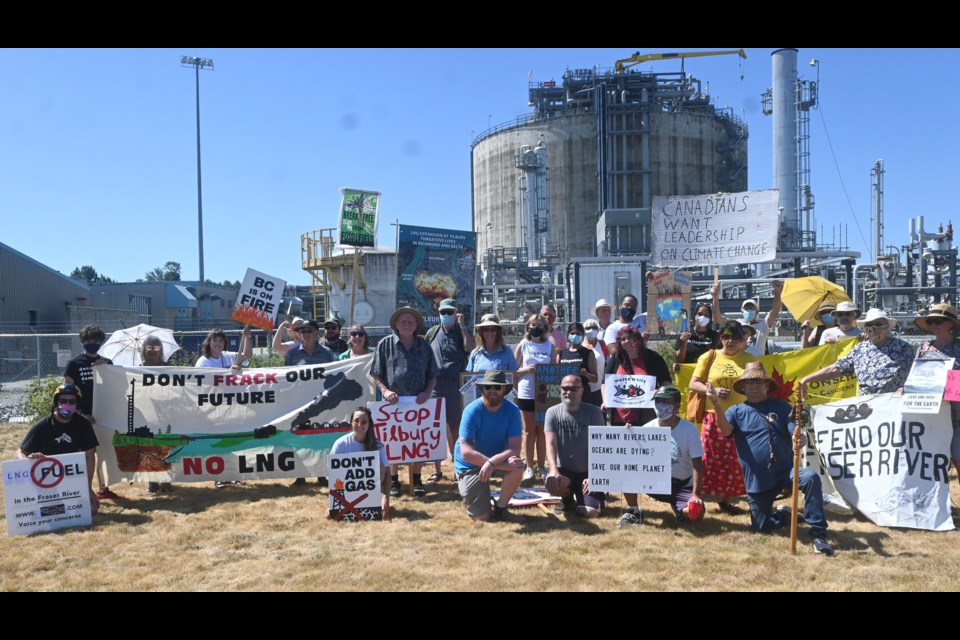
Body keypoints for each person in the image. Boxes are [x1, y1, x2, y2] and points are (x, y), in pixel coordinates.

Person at [709, 363, 834, 555]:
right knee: (761, 529)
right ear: (742, 387)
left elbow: (795, 432)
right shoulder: (736, 411)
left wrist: (798, 438)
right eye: (749, 383)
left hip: (786, 471)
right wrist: (717, 405)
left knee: (810, 477)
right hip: (757, 480)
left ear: (767, 385)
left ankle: (818, 533)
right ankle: (784, 516)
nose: (754, 386)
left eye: (759, 381)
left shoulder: (783, 408)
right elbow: (726, 431)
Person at [600, 324, 672, 527]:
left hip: (647, 418)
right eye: (623, 339)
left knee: (649, 461)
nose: (627, 342)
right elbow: (606, 383)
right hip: (619, 419)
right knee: (625, 463)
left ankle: (661, 496)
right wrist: (605, 400)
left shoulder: (652, 358)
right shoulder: (615, 359)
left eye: (630, 338)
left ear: (638, 339)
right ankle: (632, 508)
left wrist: (660, 392)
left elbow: (667, 383)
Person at [688, 321, 757, 513]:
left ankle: (727, 500)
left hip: (742, 416)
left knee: (736, 460)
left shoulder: (750, 359)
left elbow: (758, 385)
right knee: (709, 458)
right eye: (726, 337)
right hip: (713, 416)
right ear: (721, 338)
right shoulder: (709, 357)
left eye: (735, 337)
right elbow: (694, 384)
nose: (730, 341)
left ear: (741, 339)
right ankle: (699, 496)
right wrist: (713, 391)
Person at [371, 306, 438, 498]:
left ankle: (416, 480)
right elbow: (375, 372)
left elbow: (432, 375)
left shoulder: (424, 347)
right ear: (396, 325)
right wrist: (385, 390)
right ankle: (394, 481)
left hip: (418, 404)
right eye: (403, 322)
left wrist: (427, 392)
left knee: (417, 441)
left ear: (416, 325)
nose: (407, 325)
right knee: (393, 442)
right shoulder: (384, 344)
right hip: (393, 404)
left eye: (411, 322)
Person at [453, 370, 526, 521]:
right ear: (482, 389)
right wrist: (490, 463)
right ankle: (472, 497)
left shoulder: (513, 410)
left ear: (504, 389)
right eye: (488, 387)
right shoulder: (471, 411)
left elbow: (515, 448)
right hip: (470, 465)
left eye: (497, 387)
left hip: (495, 460)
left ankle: (501, 508)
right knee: (482, 518)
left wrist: (492, 463)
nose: (492, 390)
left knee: (518, 466)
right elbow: (466, 453)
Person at [18, 383, 100, 514]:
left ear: (77, 404)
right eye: (63, 401)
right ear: (56, 402)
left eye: (72, 401)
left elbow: (90, 454)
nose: (67, 404)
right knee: (48, 512)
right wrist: (30, 461)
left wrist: (88, 488)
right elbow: (21, 451)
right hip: (46, 479)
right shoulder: (42, 426)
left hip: (71, 478)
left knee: (90, 510)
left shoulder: (83, 424)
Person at [800, 308, 914, 396]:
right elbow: (836, 368)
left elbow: (914, 375)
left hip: (893, 403)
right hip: (865, 405)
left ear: (887, 326)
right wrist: (807, 379)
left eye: (878, 324)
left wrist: (907, 388)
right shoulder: (859, 350)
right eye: (869, 325)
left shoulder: (903, 348)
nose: (873, 328)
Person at [64, 324, 119, 501]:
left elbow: (114, 389)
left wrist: (103, 371)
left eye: (95, 341)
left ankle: (104, 488)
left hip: (103, 416)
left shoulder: (107, 363)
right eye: (88, 341)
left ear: (101, 343)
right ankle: (83, 490)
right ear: (82, 342)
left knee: (104, 453)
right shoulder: (74, 364)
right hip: (82, 416)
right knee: (87, 453)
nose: (91, 344)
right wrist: (79, 413)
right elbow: (68, 392)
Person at [196, 326, 253, 487]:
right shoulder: (203, 361)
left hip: (231, 406)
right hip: (214, 408)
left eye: (221, 340)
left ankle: (234, 474)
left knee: (234, 441)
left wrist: (247, 337)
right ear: (209, 342)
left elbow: (247, 355)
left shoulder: (228, 356)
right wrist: (228, 373)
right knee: (219, 443)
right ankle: (220, 476)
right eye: (215, 340)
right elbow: (205, 383)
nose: (218, 343)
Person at [427, 298, 475, 483]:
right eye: (443, 312)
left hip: (456, 386)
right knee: (435, 429)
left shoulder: (462, 332)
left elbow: (470, 349)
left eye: (450, 313)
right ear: (438, 313)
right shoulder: (432, 332)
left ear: (456, 313)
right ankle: (437, 470)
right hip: (435, 387)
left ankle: (457, 467)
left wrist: (462, 327)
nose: (446, 316)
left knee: (456, 428)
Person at [544, 375, 606, 517]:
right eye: (565, 388)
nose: (569, 392)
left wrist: (594, 476)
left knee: (590, 513)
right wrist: (553, 471)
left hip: (588, 472)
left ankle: (591, 500)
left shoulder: (595, 412)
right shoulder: (552, 412)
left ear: (581, 391)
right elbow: (550, 444)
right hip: (564, 471)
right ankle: (567, 500)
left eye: (573, 388)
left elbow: (602, 447)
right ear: (560, 390)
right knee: (552, 483)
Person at [641, 386, 705, 524]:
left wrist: (696, 494)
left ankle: (680, 507)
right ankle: (632, 510)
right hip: (656, 484)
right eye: (658, 401)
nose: (660, 406)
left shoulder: (690, 430)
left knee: (696, 514)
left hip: (683, 485)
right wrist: (628, 435)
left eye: (666, 402)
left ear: (677, 405)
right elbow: (628, 459)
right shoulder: (646, 429)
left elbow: (698, 464)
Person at [915, 303, 960, 488]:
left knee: (958, 457)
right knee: (931, 462)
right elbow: (916, 375)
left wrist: (951, 390)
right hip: (929, 413)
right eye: (931, 320)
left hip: (956, 410)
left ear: (950, 324)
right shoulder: (924, 348)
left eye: (938, 320)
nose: (934, 324)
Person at [513, 313, 557, 481]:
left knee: (542, 432)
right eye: (533, 324)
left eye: (540, 325)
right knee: (529, 431)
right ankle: (529, 466)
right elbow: (513, 371)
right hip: (527, 392)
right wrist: (527, 370)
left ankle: (541, 466)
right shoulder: (523, 345)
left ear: (545, 328)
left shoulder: (549, 346)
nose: (536, 328)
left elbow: (554, 369)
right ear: (528, 326)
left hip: (545, 394)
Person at [329, 407, 391, 520]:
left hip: (370, 494)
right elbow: (333, 475)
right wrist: (334, 503)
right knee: (330, 516)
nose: (360, 424)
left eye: (364, 421)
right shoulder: (340, 444)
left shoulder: (378, 445)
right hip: (345, 491)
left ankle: (373, 503)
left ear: (369, 424)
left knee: (381, 467)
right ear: (351, 423)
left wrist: (386, 498)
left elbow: (387, 474)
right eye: (356, 421)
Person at [712, 280, 783, 356]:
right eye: (746, 308)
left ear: (757, 311)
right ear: (742, 311)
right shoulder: (736, 324)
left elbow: (775, 312)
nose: (749, 310)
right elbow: (717, 318)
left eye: (751, 308)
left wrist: (777, 292)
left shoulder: (763, 325)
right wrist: (715, 297)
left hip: (757, 362)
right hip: (739, 361)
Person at [141, 336, 174, 495]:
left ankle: (166, 481)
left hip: (166, 412)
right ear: (144, 349)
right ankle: (152, 482)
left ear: (160, 349)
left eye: (156, 347)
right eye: (149, 347)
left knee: (166, 449)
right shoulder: (138, 368)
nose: (153, 350)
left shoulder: (168, 367)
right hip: (147, 414)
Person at [555, 322, 598, 408]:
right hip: (566, 395)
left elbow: (595, 379)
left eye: (578, 333)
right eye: (572, 333)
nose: (575, 335)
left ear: (582, 336)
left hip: (583, 396)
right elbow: (555, 376)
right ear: (568, 335)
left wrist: (586, 374)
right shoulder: (561, 354)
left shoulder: (588, 353)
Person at [674, 302, 720, 371]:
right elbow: (679, 360)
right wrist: (684, 343)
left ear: (710, 318)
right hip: (688, 373)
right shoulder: (684, 334)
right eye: (700, 314)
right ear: (695, 315)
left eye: (706, 315)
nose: (703, 317)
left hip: (708, 372)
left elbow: (720, 357)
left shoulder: (715, 335)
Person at [581, 318, 606, 407]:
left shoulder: (603, 345)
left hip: (600, 389)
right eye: (587, 328)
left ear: (598, 329)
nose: (591, 330)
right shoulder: (579, 345)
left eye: (594, 327)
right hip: (583, 389)